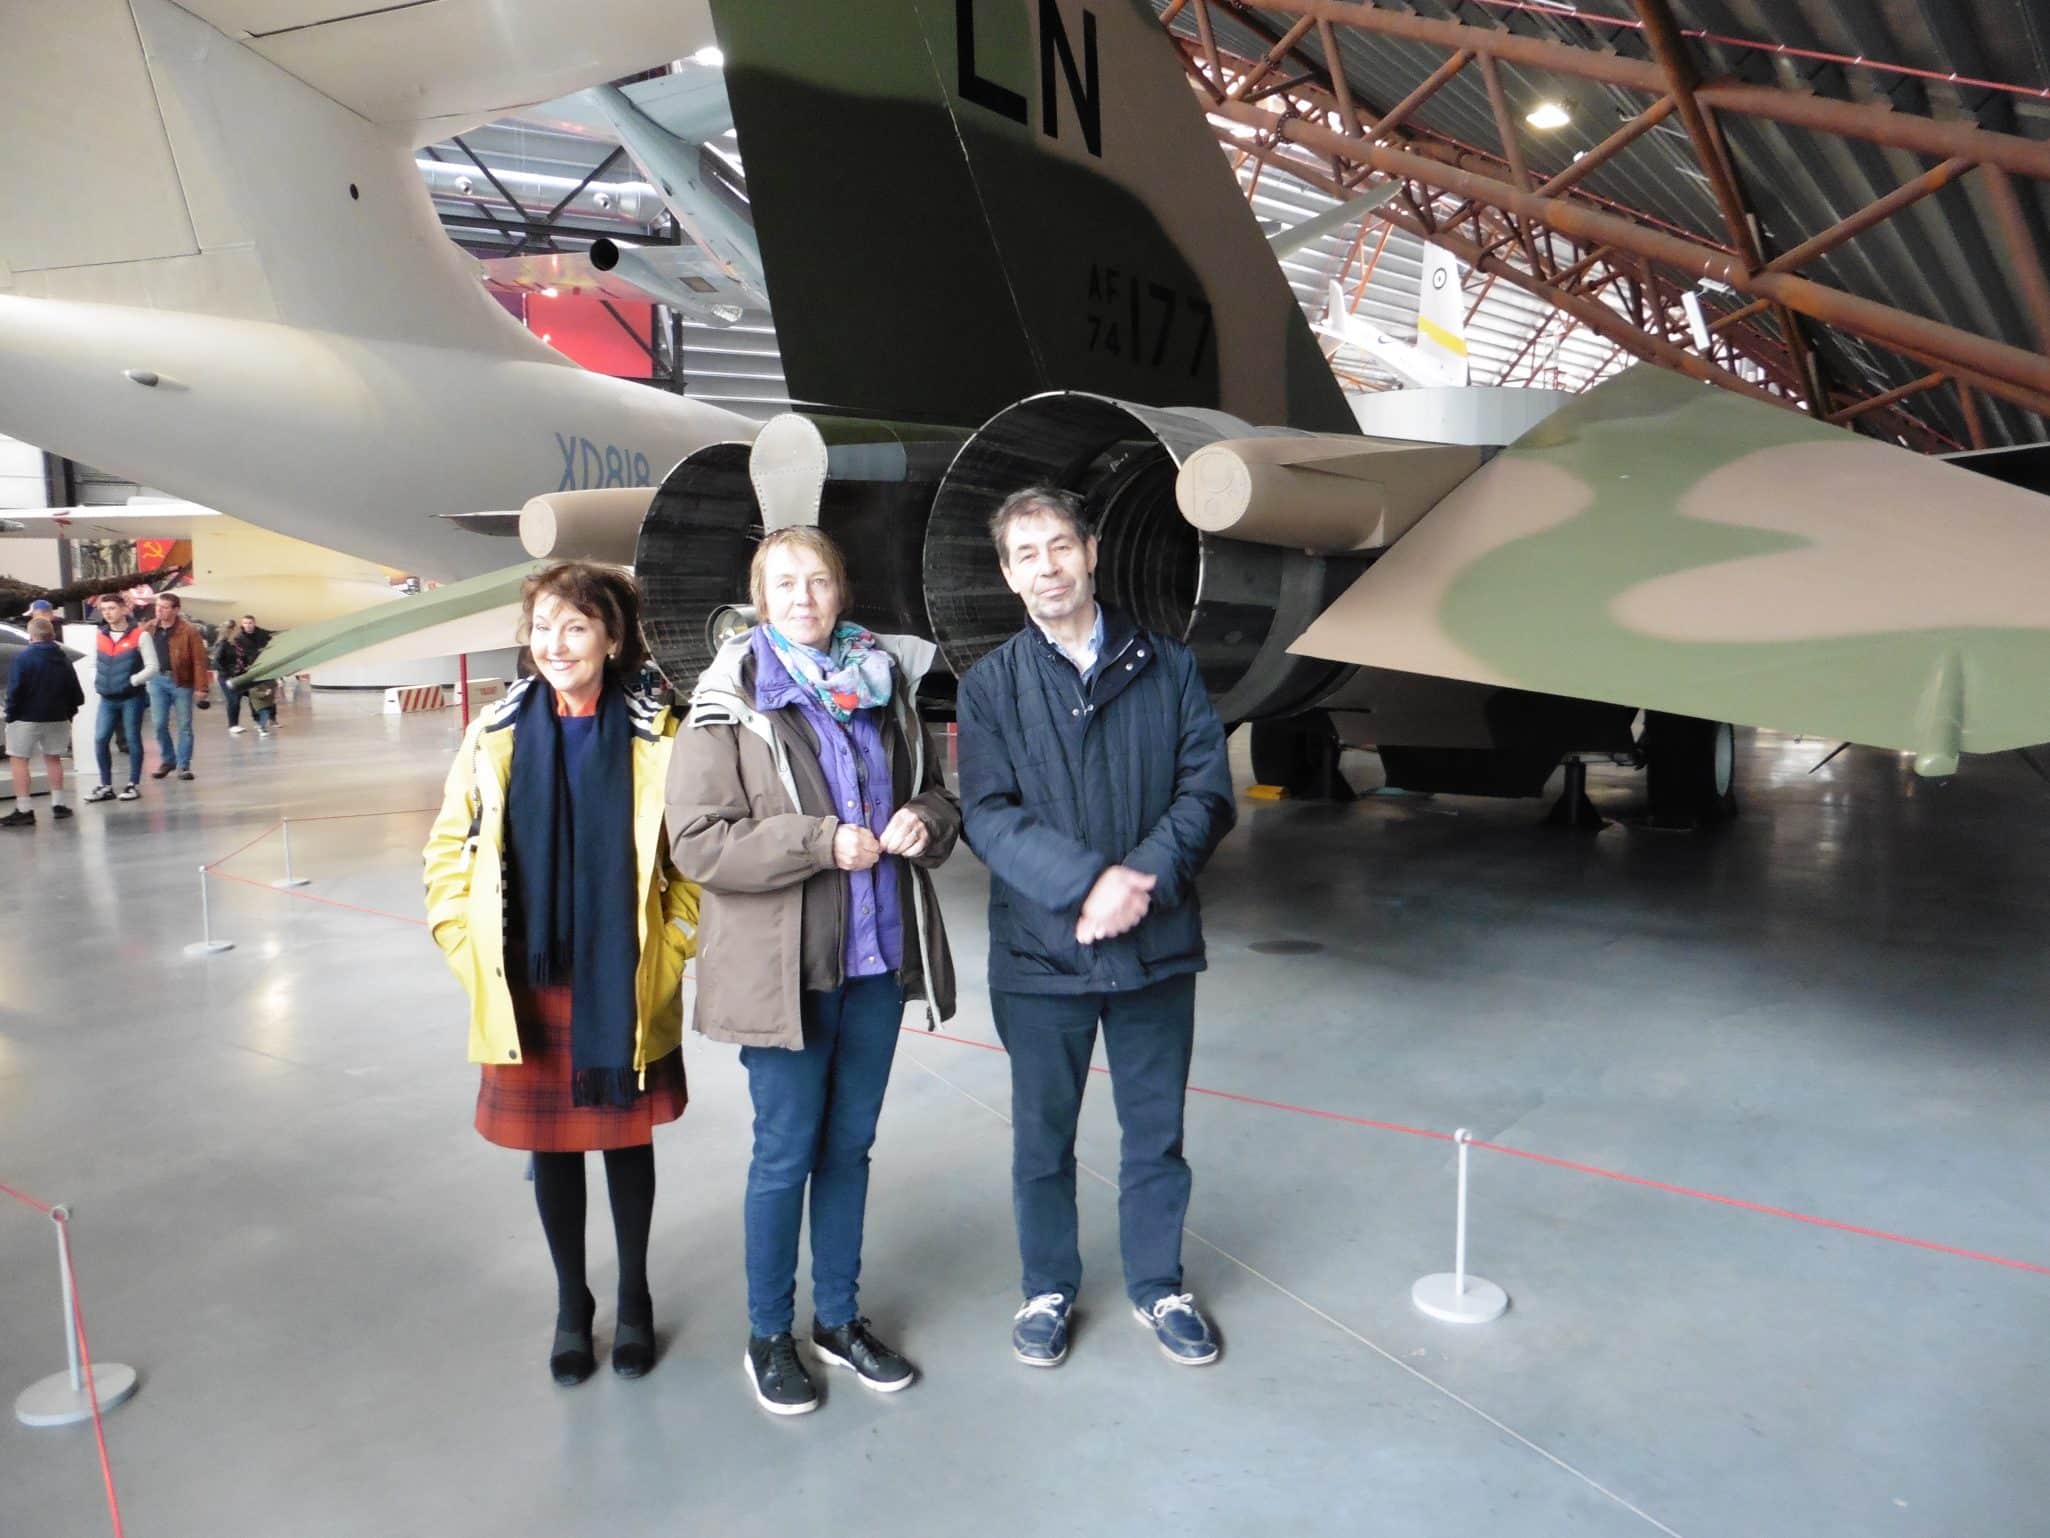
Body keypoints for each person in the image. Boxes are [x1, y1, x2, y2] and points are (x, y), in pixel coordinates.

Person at [666, 526, 960, 1417]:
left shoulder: (884, 682)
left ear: (842, 591)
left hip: (876, 961)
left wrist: (924, 820)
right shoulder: (728, 700)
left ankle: (837, 1318)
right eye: (785, 583)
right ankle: (769, 1333)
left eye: (818, 580)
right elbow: (698, 842)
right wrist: (818, 843)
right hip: (784, 973)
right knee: (786, 1151)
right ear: (760, 599)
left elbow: (936, 792)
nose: (803, 597)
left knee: (849, 1147)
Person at [955, 487, 1236, 1371]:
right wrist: (1087, 885)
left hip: (1155, 948)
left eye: (1059, 546)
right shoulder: (990, 687)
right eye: (1026, 555)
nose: (1047, 567)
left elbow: (1207, 791)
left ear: (1091, 552)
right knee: (1043, 1141)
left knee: (1156, 1134)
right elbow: (987, 814)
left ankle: (1159, 1284)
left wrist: (1139, 880)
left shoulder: (1170, 667)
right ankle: (1047, 1288)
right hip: (1043, 955)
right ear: (1009, 575)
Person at [423, 562, 701, 1387]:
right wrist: (464, 942)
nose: (555, 644)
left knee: (625, 1141)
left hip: (623, 970)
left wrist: (675, 942)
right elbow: (448, 849)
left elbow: (693, 858)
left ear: (612, 640)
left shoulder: (661, 733)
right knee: (551, 1148)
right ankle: (571, 1304)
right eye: (543, 627)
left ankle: (635, 1296)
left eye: (576, 626)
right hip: (527, 974)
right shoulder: (495, 730)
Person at [3, 615, 85, 828]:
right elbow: (76, 694)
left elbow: (15, 691)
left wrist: (10, 714)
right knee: (53, 758)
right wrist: (68, 713)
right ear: (52, 635)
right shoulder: (64, 660)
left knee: (19, 759)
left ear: (30, 636)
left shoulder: (23, 659)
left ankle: (24, 809)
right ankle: (59, 804)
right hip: (57, 717)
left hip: (25, 718)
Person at [86, 594, 157, 803]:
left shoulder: (140, 635)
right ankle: (105, 785)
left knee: (132, 738)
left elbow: (152, 667)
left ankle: (133, 784)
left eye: (112, 608)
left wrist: (133, 681)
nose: (107, 613)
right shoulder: (101, 635)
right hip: (107, 697)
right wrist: (97, 680)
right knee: (100, 739)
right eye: (104, 609)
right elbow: (93, 663)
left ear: (124, 609)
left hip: (131, 697)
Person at [143, 592, 210, 780]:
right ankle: (168, 760)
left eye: (164, 607)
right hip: (156, 680)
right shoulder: (149, 628)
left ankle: (183, 765)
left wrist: (202, 687)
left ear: (176, 610)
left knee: (184, 725)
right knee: (159, 724)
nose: (159, 611)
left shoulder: (188, 631)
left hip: (181, 681)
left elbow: (199, 660)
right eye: (157, 606)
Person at [214, 615, 277, 737]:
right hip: (229, 678)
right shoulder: (223, 644)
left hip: (241, 675)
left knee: (255, 696)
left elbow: (243, 657)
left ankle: (259, 721)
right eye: (238, 628)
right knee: (234, 700)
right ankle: (233, 725)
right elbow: (217, 662)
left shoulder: (237, 643)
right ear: (231, 630)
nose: (241, 629)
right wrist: (228, 674)